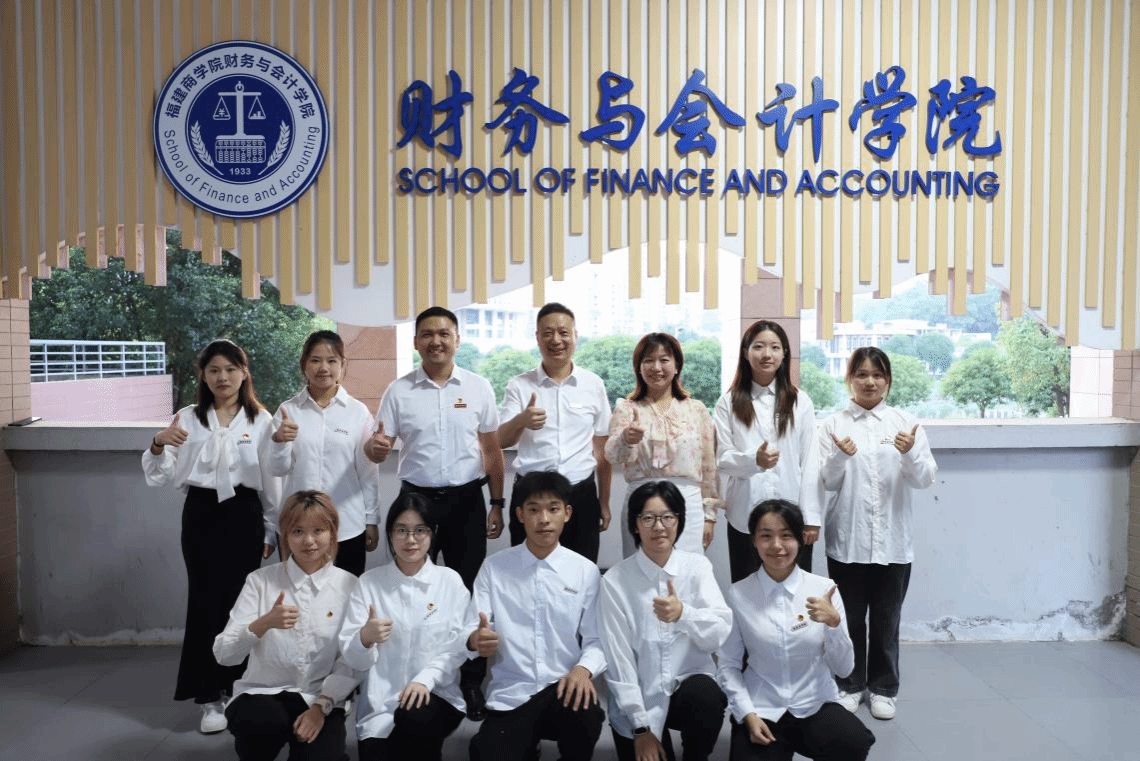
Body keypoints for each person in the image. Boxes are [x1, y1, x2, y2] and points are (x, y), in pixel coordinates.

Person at [364, 305, 505, 720]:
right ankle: (405, 674)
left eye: (444, 333)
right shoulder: (398, 391)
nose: (436, 341)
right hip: (416, 503)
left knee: (469, 591)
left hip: (467, 500)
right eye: (427, 334)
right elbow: (379, 446)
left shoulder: (478, 387)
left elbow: (492, 450)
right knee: (409, 586)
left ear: (457, 339)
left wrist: (497, 503)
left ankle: (469, 682)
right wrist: (374, 449)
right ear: (415, 342)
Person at [142, 338, 280, 734]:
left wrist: (271, 528)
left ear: (244, 373)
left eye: (231, 369)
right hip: (201, 515)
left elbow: (272, 481)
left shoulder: (261, 420)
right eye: (214, 370)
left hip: (244, 515)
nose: (223, 377)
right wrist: (157, 444)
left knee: (241, 603)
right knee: (204, 602)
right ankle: (209, 697)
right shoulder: (187, 418)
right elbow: (161, 475)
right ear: (203, 375)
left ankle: (238, 686)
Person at [819, 347, 937, 720]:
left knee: (887, 620)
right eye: (862, 374)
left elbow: (925, 479)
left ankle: (884, 688)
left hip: (893, 543)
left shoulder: (906, 423)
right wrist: (840, 456)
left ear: (887, 380)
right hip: (847, 541)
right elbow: (825, 481)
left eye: (877, 374)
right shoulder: (832, 424)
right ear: (849, 379)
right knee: (850, 620)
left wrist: (910, 453)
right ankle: (850, 684)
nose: (870, 382)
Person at [717, 499, 875, 761]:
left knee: (854, 741)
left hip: (814, 704)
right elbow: (728, 665)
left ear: (801, 540)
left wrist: (834, 625)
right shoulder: (739, 593)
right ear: (754, 541)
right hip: (762, 708)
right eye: (766, 536)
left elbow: (844, 669)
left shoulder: (824, 589)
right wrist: (747, 714)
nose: (776, 545)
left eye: (786, 535)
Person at [466, 471, 606, 761]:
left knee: (588, 714)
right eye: (533, 510)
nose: (544, 519)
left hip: (563, 688)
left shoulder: (585, 571)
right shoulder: (494, 568)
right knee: (485, 753)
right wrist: (475, 639)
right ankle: (526, 746)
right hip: (512, 694)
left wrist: (583, 670)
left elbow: (597, 639)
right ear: (520, 515)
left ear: (567, 513)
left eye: (553, 509)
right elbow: (470, 628)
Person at [213, 491, 357, 761]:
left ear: (332, 533)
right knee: (262, 722)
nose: (309, 541)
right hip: (263, 694)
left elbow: (349, 661)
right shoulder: (260, 581)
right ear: (285, 535)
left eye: (318, 530)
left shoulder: (350, 585)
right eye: (298, 531)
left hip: (318, 697)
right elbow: (224, 655)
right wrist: (263, 623)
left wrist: (320, 708)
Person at [599, 480, 731, 761]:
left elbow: (719, 634)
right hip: (638, 698)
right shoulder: (615, 581)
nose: (659, 527)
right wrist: (640, 728)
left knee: (706, 696)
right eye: (648, 518)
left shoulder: (697, 567)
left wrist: (684, 614)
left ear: (678, 522)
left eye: (667, 517)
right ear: (635, 525)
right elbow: (619, 660)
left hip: (686, 691)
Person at [338, 492, 469, 761]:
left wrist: (424, 680)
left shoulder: (450, 582)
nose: (411, 539)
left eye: (420, 530)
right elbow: (352, 659)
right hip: (380, 707)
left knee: (415, 720)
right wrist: (364, 638)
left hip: (435, 696)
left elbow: (456, 648)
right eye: (402, 530)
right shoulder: (369, 583)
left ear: (432, 533)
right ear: (389, 534)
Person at [499, 302, 613, 562]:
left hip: (581, 495)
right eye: (548, 333)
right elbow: (501, 440)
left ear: (575, 336)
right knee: (526, 570)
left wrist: (604, 502)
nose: (556, 340)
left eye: (563, 332)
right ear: (537, 337)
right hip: (531, 497)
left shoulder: (593, 384)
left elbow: (602, 451)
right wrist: (521, 420)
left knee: (582, 571)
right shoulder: (519, 385)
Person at [714, 320, 821, 582]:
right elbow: (723, 459)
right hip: (745, 516)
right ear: (745, 352)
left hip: (792, 517)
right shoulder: (728, 402)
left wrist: (811, 517)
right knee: (747, 590)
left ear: (784, 353)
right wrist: (755, 461)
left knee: (796, 591)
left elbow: (810, 461)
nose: (767, 354)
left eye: (775, 347)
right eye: (758, 346)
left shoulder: (800, 401)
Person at [269, 330, 382, 576]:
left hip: (347, 527)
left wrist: (371, 519)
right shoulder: (288, 411)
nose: (323, 368)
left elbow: (368, 472)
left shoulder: (358, 412)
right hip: (298, 529)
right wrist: (279, 441)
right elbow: (277, 470)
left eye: (332, 361)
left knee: (346, 594)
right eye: (315, 360)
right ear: (304, 364)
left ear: (343, 365)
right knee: (298, 594)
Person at [606, 332, 721, 557]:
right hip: (641, 504)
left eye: (664, 360)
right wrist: (626, 439)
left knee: (687, 569)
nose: (656, 367)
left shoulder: (696, 410)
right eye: (648, 360)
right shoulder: (627, 409)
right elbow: (611, 454)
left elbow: (709, 467)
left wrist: (709, 516)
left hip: (687, 505)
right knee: (640, 569)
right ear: (639, 368)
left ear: (677, 366)